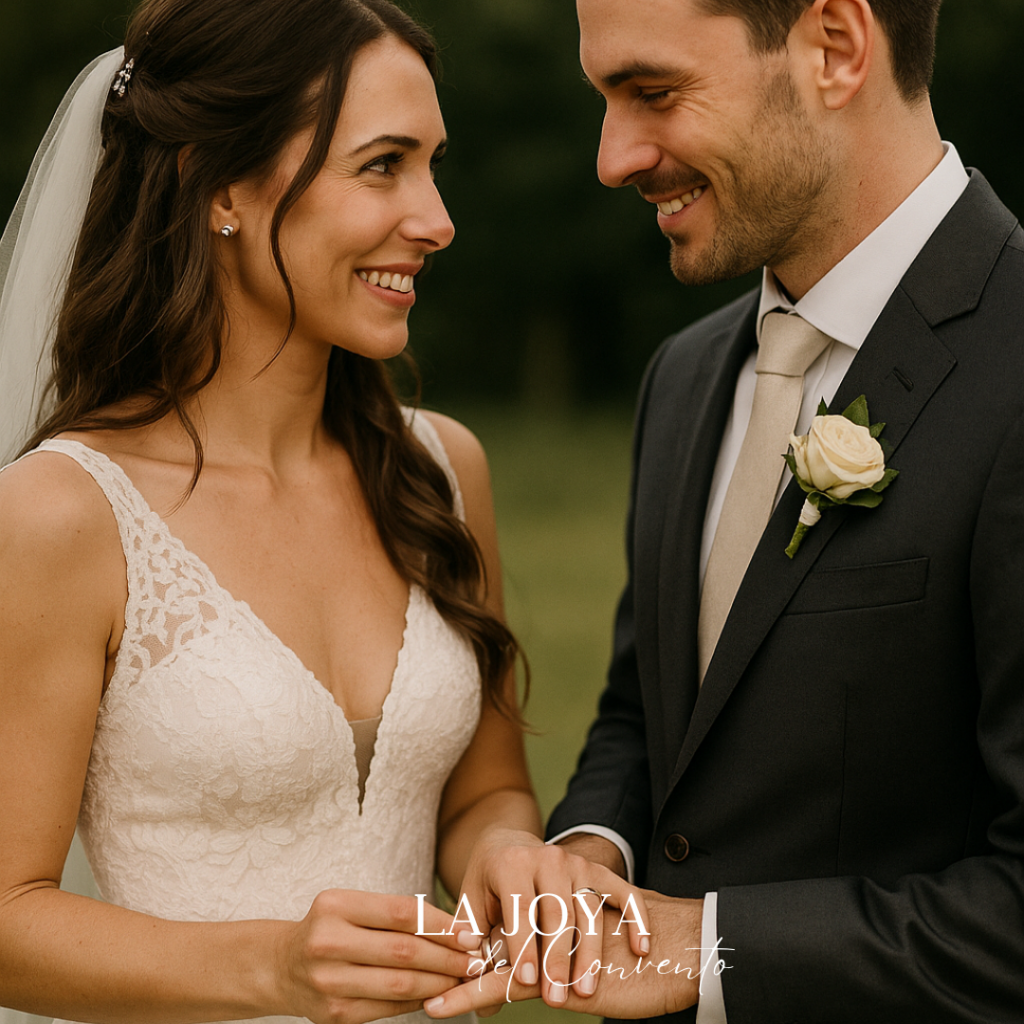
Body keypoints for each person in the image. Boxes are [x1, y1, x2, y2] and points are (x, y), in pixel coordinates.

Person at [0, 1, 646, 1021]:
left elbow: (483, 793)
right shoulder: (63, 512)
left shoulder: (441, 470)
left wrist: (508, 852)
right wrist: (272, 968)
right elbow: (7, 915)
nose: (436, 219)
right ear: (218, 186)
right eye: (383, 164)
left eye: (433, 163)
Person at [424, 0, 1024, 1021]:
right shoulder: (688, 375)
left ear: (834, 47)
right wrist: (581, 857)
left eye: (652, 93)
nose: (613, 157)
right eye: (603, 99)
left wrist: (707, 948)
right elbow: (649, 717)